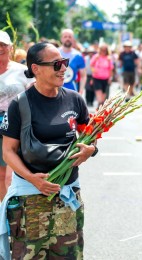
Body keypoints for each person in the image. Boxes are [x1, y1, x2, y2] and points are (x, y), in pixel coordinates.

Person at [0, 42, 97, 259]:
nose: (63, 69)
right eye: (57, 64)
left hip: (67, 195)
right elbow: (8, 151)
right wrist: (33, 179)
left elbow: (90, 136)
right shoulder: (20, 104)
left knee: (68, 255)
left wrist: (90, 150)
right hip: (30, 199)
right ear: (36, 69)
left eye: (65, 63)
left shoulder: (75, 100)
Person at [0, 31, 34, 201]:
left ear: (10, 48)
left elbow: (37, 94)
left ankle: (14, 215)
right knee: (0, 176)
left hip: (17, 129)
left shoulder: (23, 71)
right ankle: (4, 215)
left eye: (3, 44)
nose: (0, 48)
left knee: (10, 177)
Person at [58, 29, 87, 94]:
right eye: (65, 36)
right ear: (61, 39)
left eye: (70, 37)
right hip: (56, 88)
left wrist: (81, 91)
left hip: (72, 89)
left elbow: (83, 76)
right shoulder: (55, 53)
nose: (67, 38)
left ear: (73, 39)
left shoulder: (78, 55)